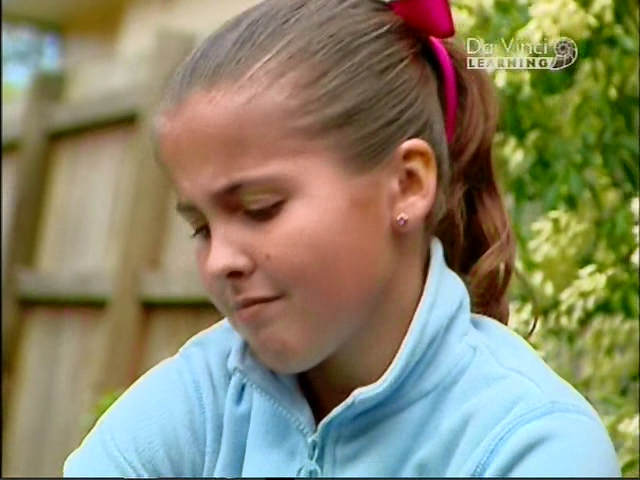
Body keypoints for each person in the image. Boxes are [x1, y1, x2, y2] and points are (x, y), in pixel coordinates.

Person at [63, 0, 621, 477]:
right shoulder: (204, 397)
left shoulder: (531, 442)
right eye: (202, 227)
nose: (218, 261)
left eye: (260, 208)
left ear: (407, 185)